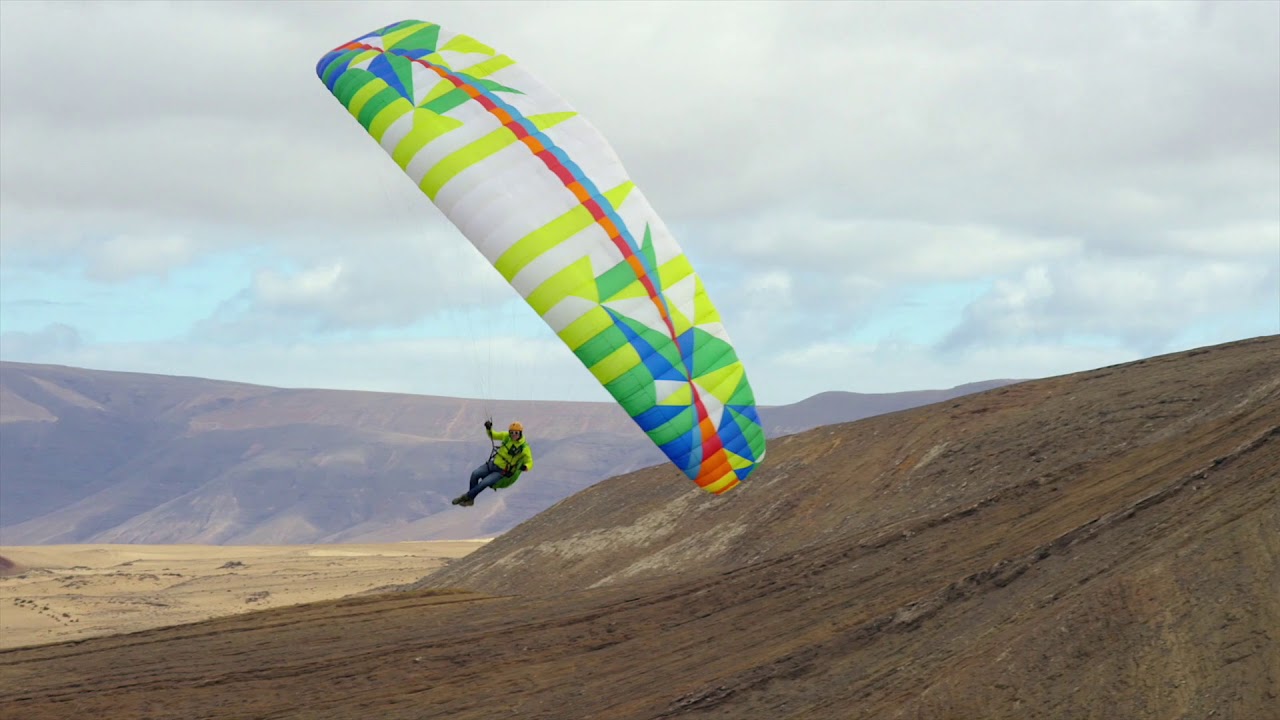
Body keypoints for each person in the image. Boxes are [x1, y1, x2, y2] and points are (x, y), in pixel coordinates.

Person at [452, 420, 534, 507]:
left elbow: (530, 461)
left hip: (501, 471)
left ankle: (465, 497)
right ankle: (471, 500)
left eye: (516, 432)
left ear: (520, 433)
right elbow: (493, 435)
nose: (514, 434)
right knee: (475, 474)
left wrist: (525, 467)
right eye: (512, 432)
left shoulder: (524, 447)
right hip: (492, 464)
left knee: (484, 483)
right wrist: (488, 428)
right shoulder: (506, 436)